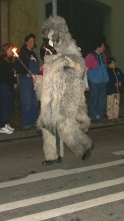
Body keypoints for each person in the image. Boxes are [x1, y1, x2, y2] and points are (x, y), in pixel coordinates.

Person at [34, 16, 93, 165]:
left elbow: (79, 66)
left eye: (50, 34)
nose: (48, 38)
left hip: (66, 94)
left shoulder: (69, 48)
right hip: (51, 95)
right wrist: (39, 81)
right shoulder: (49, 51)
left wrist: (61, 62)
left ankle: (84, 146)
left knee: (66, 126)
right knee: (48, 125)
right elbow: (50, 77)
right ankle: (53, 156)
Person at [14, 33, 40, 130]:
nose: (32, 43)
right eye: (30, 41)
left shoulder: (34, 54)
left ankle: (34, 122)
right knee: (27, 102)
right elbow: (17, 66)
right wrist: (26, 73)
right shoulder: (22, 53)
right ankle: (26, 123)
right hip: (26, 81)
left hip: (35, 80)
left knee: (35, 102)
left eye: (33, 41)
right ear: (26, 42)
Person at [85, 38, 109, 124]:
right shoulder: (90, 57)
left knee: (102, 100)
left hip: (103, 81)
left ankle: (100, 116)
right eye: (103, 46)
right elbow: (86, 71)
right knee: (94, 99)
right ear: (98, 47)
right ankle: (93, 116)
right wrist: (86, 84)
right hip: (94, 82)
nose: (104, 48)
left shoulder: (103, 56)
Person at [0, 43, 17, 134]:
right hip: (5, 86)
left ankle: (7, 123)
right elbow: (4, 76)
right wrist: (11, 82)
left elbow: (13, 74)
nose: (12, 51)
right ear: (6, 50)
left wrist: (15, 82)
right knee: (5, 105)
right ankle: (2, 125)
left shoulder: (10, 61)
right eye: (10, 49)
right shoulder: (2, 62)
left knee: (10, 105)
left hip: (10, 86)